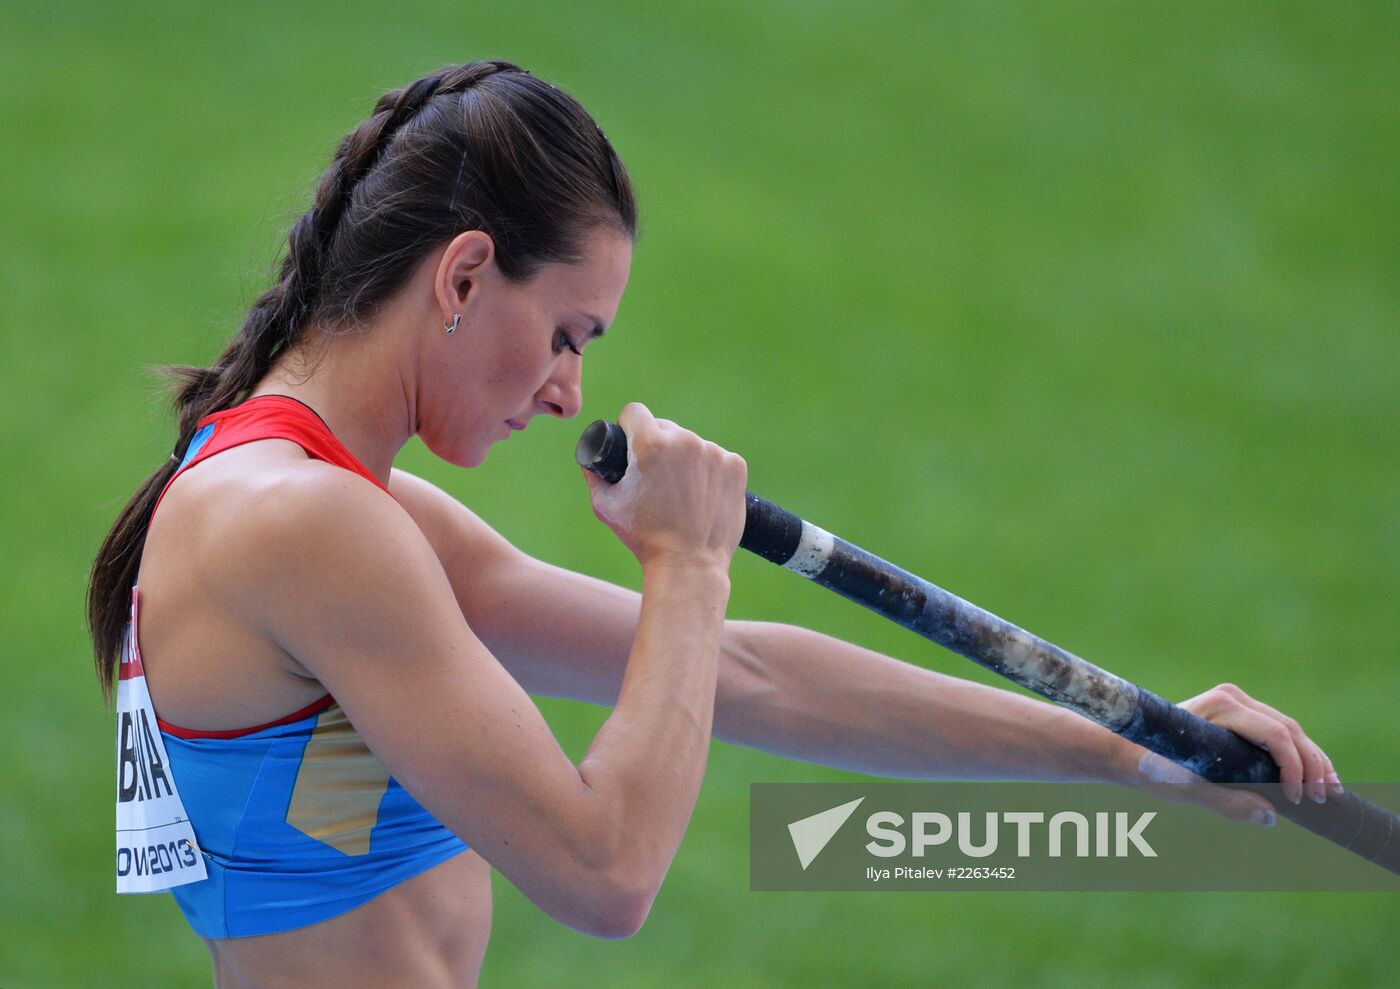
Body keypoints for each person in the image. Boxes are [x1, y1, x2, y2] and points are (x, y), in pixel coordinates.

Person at [88, 61, 1343, 989]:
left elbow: (741, 673)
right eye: (568, 333)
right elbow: (604, 870)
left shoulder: (330, 506)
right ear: (463, 276)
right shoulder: (305, 525)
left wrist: (1124, 752)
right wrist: (686, 560)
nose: (567, 388)